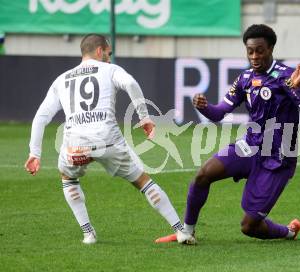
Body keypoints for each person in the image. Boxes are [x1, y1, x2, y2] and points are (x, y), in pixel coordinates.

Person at [156, 24, 300, 244]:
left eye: (260, 50)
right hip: (250, 146)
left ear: (271, 48)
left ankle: (288, 232)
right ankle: (187, 232)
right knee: (202, 175)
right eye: (250, 51)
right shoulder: (245, 79)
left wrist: (298, 87)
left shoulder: (287, 77)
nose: (254, 56)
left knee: (249, 227)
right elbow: (218, 113)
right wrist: (204, 107)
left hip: (278, 158)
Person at [24, 34, 184, 244]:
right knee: (142, 181)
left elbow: (41, 117)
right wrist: (144, 116)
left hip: (75, 145)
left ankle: (88, 234)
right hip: (108, 141)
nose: (110, 58)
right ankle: (181, 231)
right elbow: (132, 84)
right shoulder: (111, 70)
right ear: (99, 51)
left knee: (67, 177)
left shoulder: (62, 79)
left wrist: (34, 153)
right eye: (109, 53)